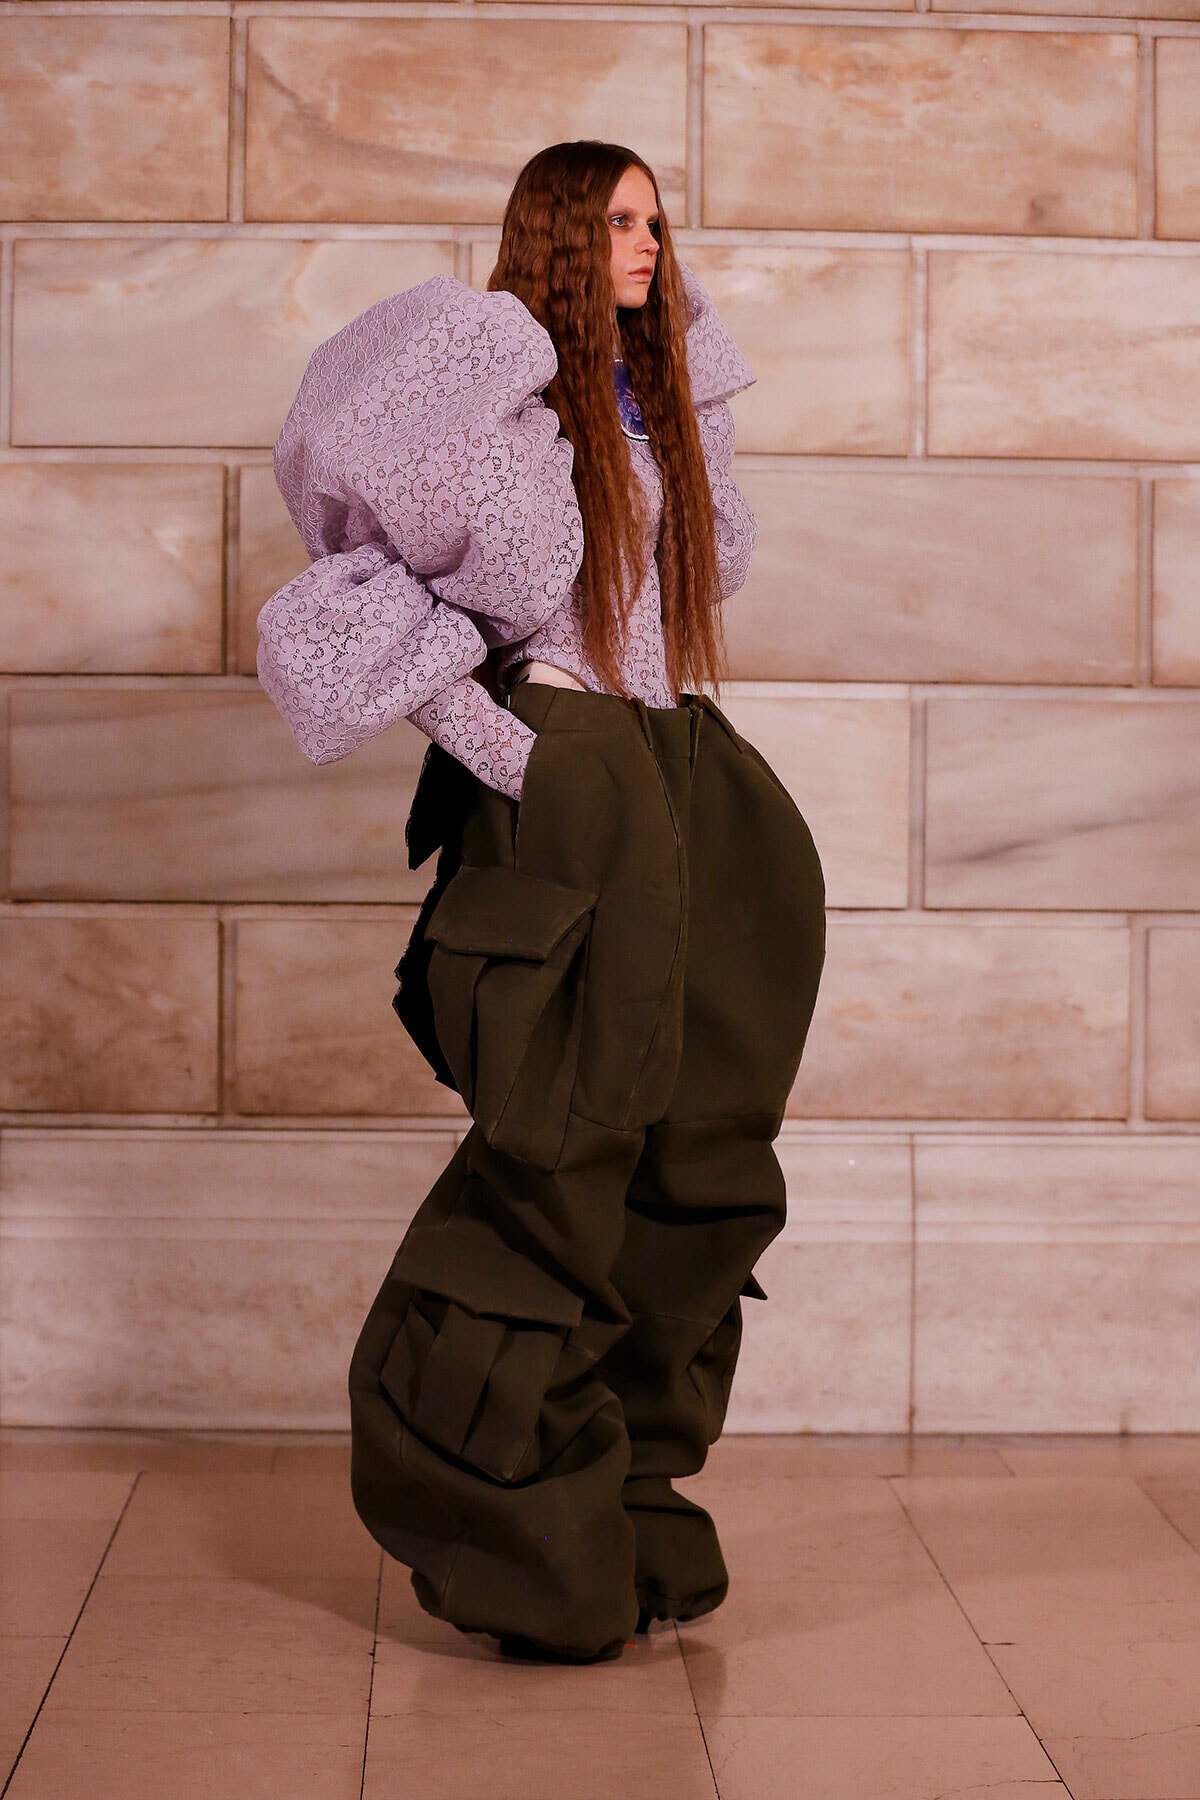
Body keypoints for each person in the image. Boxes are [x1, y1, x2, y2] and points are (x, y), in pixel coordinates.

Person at [257, 140, 826, 1665]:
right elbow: (388, 615)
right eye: (618, 217)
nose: (646, 242)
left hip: (684, 769)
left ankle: (625, 1504)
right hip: (581, 778)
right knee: (565, 1145)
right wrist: (530, 755)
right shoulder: (495, 411)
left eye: (656, 217)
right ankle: (500, 1508)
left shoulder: (652, 417)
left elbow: (662, 608)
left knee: (704, 1143)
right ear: (559, 230)